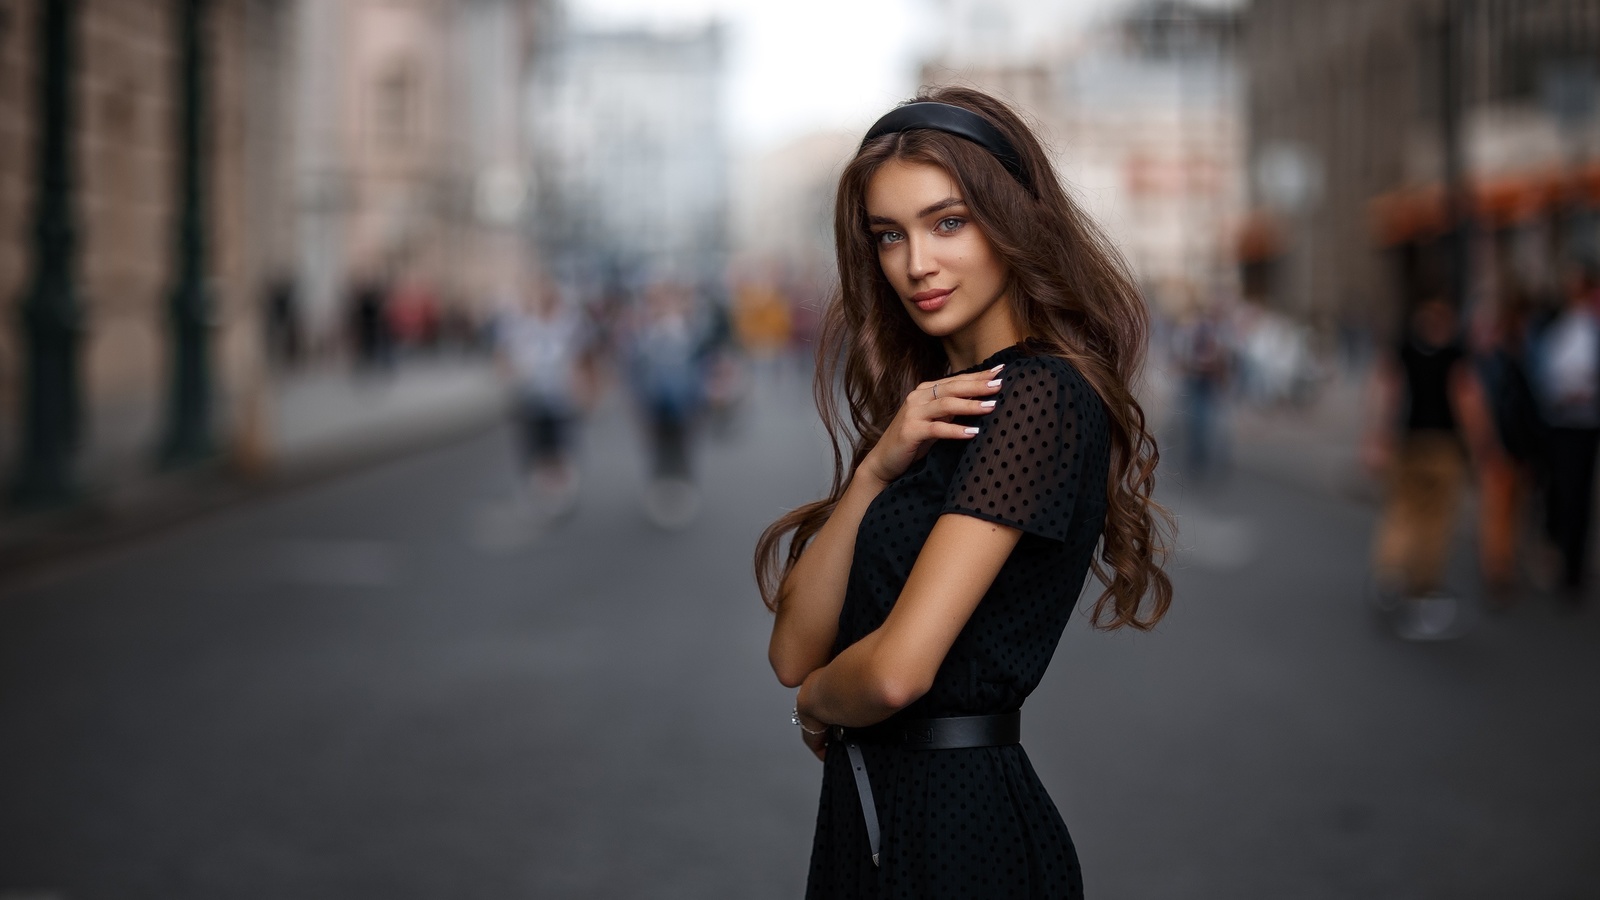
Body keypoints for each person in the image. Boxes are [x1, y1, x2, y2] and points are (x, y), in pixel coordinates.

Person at [755, 87, 1172, 898]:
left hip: (958, 837)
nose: (916, 264)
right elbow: (790, 649)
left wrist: (817, 707)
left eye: (948, 222)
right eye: (889, 235)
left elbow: (894, 675)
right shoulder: (943, 404)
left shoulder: (1038, 396)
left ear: (1014, 219)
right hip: (882, 817)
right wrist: (877, 468)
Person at [1365, 297, 1492, 639]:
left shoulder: (1404, 350)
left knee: (1401, 513)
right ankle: (1421, 592)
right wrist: (1481, 448)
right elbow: (1468, 400)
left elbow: (1386, 392)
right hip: (1443, 447)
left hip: (1409, 442)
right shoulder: (1455, 355)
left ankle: (1389, 572)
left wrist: (1377, 439)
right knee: (1435, 522)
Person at [1528, 262, 1600, 606]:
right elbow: (1539, 371)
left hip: (1584, 423)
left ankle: (1573, 568)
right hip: (1557, 422)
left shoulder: (1589, 326)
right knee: (1558, 493)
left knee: (1578, 497)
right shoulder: (1555, 326)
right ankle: (1557, 554)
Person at [494, 281, 593, 517]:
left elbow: (585, 358)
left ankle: (562, 487)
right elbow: (503, 354)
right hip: (530, 396)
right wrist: (509, 375)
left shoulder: (571, 324)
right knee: (534, 444)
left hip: (561, 397)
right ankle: (539, 487)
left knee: (560, 443)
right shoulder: (519, 324)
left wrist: (586, 387)